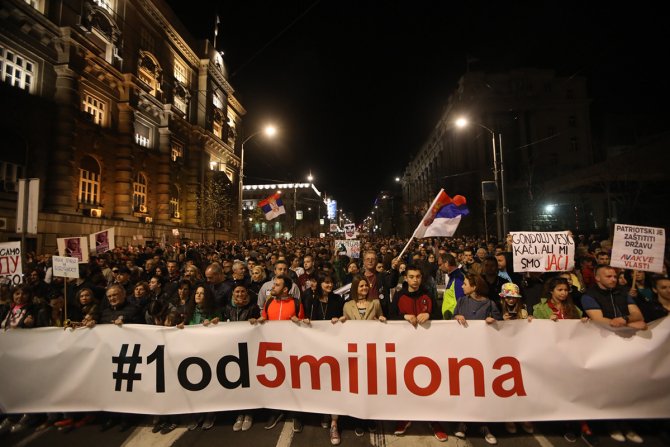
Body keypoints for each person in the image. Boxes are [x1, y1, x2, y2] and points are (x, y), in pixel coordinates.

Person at [389, 265, 447, 442]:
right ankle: (405, 417)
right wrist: (403, 317)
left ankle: (434, 420)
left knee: (430, 385)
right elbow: (390, 317)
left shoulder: (427, 295)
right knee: (405, 384)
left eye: (418, 277)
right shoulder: (399, 296)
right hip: (405, 349)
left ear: (421, 278)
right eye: (411, 277)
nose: (415, 280)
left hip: (427, 348)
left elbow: (438, 316)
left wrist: (429, 314)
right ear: (405, 278)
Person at [250, 275, 305, 433]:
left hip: (291, 351)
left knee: (294, 382)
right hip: (273, 352)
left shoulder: (296, 303)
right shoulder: (268, 302)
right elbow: (264, 318)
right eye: (273, 284)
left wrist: (298, 322)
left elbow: (303, 327)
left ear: (285, 289)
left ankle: (296, 414)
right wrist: (257, 321)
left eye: (276, 285)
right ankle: (277, 411)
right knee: (275, 382)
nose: (272, 287)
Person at [453, 273, 501, 445]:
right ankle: (463, 422)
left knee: (483, 389)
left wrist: (493, 321)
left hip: (484, 354)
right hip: (465, 354)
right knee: (466, 388)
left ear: (475, 286)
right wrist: (456, 318)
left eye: (465, 283)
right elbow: (452, 320)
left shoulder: (489, 304)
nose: (462, 286)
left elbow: (501, 324)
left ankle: (484, 425)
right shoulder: (462, 302)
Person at [301, 272, 344, 445]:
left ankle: (334, 421)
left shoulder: (338, 300)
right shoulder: (311, 301)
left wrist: (340, 319)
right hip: (316, 348)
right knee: (321, 382)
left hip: (334, 348)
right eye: (325, 282)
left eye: (331, 282)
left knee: (335, 383)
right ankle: (324, 411)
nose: (329, 285)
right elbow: (307, 319)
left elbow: (344, 319)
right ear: (319, 284)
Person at [178, 285, 220, 431]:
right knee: (195, 384)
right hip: (193, 353)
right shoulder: (189, 312)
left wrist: (215, 323)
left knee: (209, 383)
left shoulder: (215, 312)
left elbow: (221, 326)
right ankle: (197, 413)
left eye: (202, 293)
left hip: (209, 353)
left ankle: (210, 413)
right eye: (197, 293)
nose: (198, 295)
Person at [222, 285, 260, 432]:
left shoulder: (254, 308)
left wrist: (255, 322)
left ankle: (249, 413)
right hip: (232, 351)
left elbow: (262, 325)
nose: (240, 294)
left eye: (243, 291)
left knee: (248, 381)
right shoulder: (227, 309)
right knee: (237, 381)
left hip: (249, 350)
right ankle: (240, 413)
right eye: (237, 291)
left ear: (247, 293)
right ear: (232, 293)